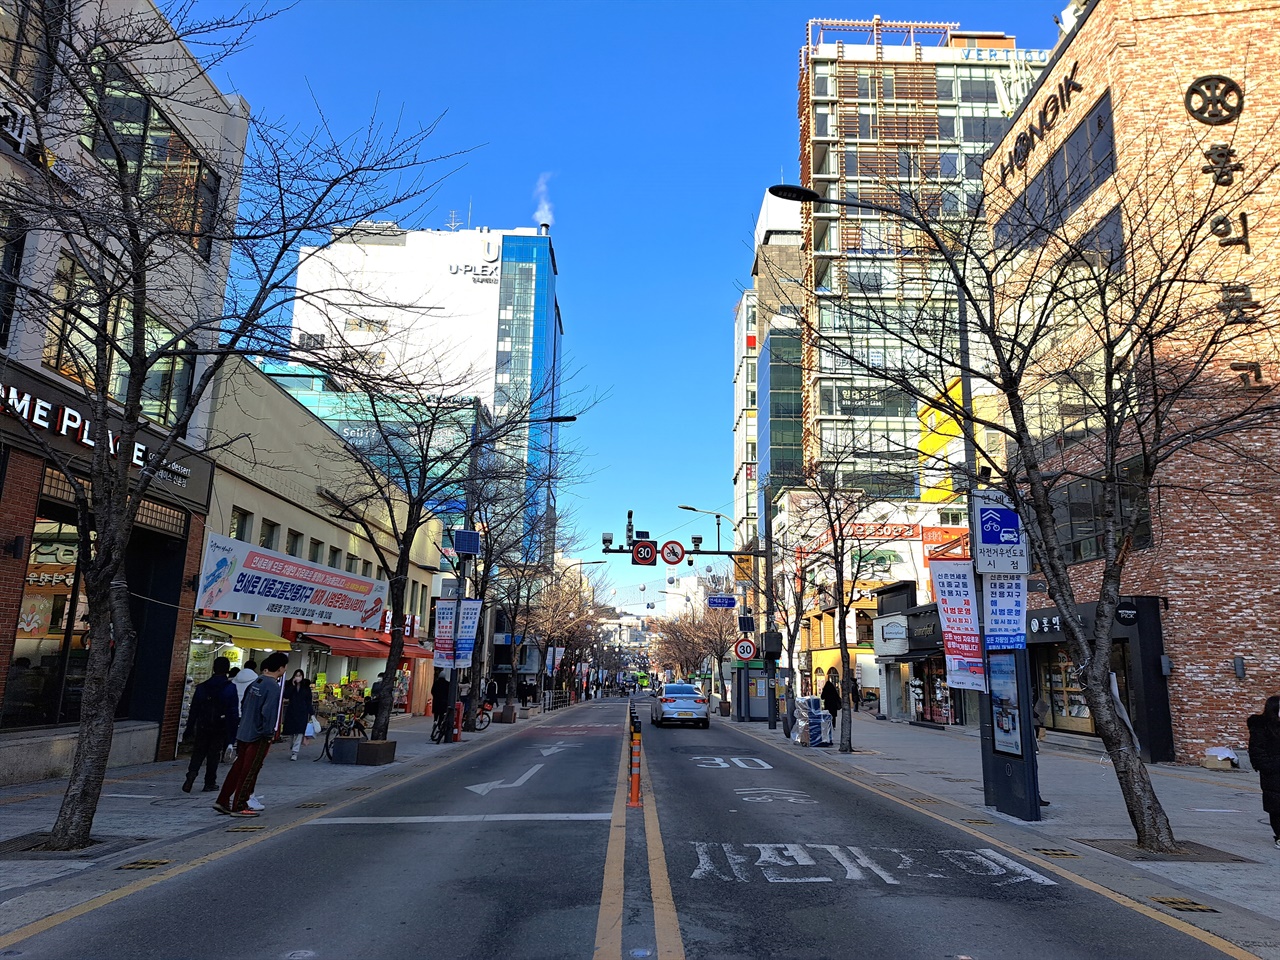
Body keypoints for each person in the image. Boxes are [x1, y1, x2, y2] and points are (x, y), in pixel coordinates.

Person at [214, 652, 288, 817]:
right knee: (249, 770)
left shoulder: (256, 682)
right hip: (258, 735)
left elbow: (244, 703)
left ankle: (223, 799)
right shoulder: (272, 686)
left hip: (244, 731)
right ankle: (239, 806)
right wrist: (269, 733)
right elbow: (268, 712)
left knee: (238, 767)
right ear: (281, 668)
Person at [182, 656, 238, 793]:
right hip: (220, 725)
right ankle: (209, 782)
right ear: (227, 670)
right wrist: (232, 734)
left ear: (213, 668)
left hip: (202, 724)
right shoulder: (230, 688)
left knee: (198, 751)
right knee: (214, 754)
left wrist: (189, 728)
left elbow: (193, 710)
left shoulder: (202, 687)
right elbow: (233, 712)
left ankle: (192, 774)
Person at [1247, 695, 1280, 848]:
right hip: (1273, 773)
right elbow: (1256, 751)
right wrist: (1270, 766)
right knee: (1276, 805)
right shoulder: (1261, 727)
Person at [281, 669, 314, 761]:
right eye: (296, 675)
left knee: (299, 732)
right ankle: (293, 746)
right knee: (291, 733)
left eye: (300, 675)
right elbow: (286, 695)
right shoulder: (290, 685)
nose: (298, 677)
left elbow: (308, 701)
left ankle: (295, 752)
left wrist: (311, 713)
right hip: (292, 711)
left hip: (302, 712)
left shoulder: (306, 687)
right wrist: (293, 685)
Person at [431, 671, 452, 736]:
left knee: (436, 713)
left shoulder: (436, 683)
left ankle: (435, 721)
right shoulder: (447, 684)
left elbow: (432, 691)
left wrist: (436, 696)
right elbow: (449, 693)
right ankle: (439, 724)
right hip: (444, 701)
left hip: (437, 701)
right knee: (442, 713)